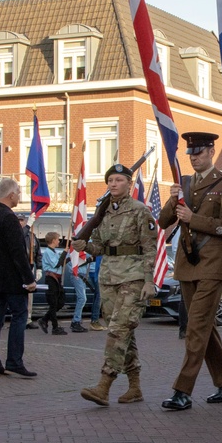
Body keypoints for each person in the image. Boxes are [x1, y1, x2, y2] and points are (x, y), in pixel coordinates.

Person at [159, 132, 222, 411]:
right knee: (205, 329)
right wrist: (173, 200)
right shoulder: (184, 184)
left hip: (212, 265)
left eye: (199, 152)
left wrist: (195, 219)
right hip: (187, 264)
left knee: (195, 328)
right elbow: (163, 221)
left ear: (211, 151)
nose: (194, 158)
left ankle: (183, 390)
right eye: (191, 153)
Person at [73, 163, 159, 406]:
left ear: (129, 184)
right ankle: (135, 387)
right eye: (110, 180)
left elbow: (151, 248)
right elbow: (99, 246)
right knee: (124, 333)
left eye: (119, 180)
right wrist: (85, 246)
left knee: (118, 331)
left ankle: (104, 385)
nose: (113, 184)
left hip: (133, 278)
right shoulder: (104, 212)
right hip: (109, 278)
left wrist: (150, 280)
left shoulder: (141, 211)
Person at [0, 177, 38, 377]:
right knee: (20, 316)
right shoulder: (9, 218)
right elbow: (17, 252)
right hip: (12, 280)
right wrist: (29, 279)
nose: (19, 196)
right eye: (18, 193)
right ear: (11, 194)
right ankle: (14, 360)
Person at [39, 232, 68, 336]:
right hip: (51, 278)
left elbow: (61, 263)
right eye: (58, 239)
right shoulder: (47, 252)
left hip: (57, 279)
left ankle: (44, 319)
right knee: (53, 303)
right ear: (53, 240)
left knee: (61, 302)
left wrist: (68, 257)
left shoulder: (54, 251)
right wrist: (64, 253)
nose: (59, 241)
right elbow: (56, 264)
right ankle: (55, 327)